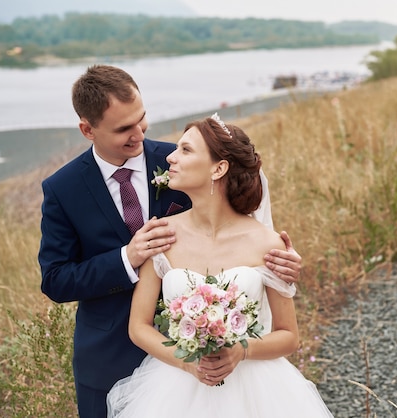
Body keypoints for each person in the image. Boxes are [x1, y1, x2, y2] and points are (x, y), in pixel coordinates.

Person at [37, 65, 303, 418]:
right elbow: (55, 279)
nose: (139, 135)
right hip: (109, 354)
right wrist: (127, 257)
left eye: (142, 120)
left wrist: (285, 262)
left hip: (224, 365)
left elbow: (235, 223)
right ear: (88, 129)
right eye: (123, 129)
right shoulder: (63, 189)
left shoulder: (178, 163)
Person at [106, 114, 332, 417]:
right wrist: (186, 361)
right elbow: (138, 326)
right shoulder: (161, 235)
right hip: (176, 388)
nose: (171, 157)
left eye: (186, 150)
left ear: (219, 168)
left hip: (257, 392)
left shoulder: (268, 244)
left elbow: (288, 335)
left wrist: (242, 350)